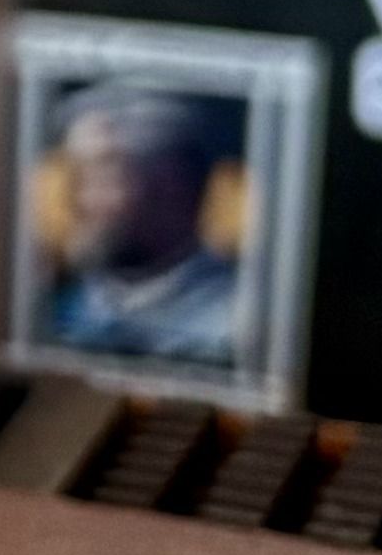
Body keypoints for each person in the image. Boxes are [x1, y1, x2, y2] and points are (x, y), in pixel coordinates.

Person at [44, 84, 246, 369]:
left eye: (100, 180)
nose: (79, 202)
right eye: (78, 180)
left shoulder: (237, 323)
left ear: (174, 189)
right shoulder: (59, 308)